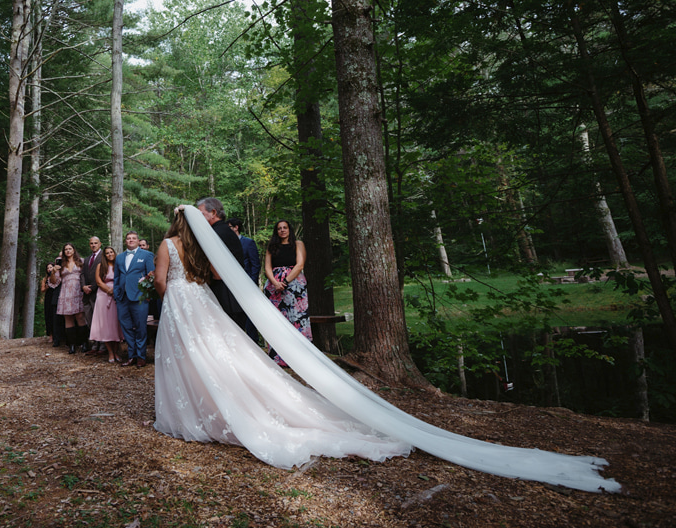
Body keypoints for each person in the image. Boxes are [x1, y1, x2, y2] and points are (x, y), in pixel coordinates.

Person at [153, 205, 620, 493]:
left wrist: (165, 289)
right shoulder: (202, 246)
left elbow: (159, 281)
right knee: (222, 356)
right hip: (202, 304)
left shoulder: (167, 245)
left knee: (192, 359)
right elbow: (215, 278)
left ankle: (199, 411)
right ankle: (221, 405)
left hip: (180, 306)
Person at [195, 197, 248, 333]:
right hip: (235, 296)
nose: (198, 218)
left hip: (227, 298)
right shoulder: (224, 231)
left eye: (201, 213)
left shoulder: (215, 234)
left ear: (213, 212)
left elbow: (218, 274)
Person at [263, 220, 310, 366]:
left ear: (289, 229)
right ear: (276, 231)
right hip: (274, 287)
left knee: (296, 318)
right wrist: (275, 283)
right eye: (279, 228)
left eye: (285, 228)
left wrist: (285, 282)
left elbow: (300, 264)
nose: (282, 230)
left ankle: (300, 357)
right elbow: (267, 267)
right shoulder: (272, 246)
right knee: (277, 320)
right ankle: (278, 357)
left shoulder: (298, 244)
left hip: (294, 285)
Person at [114, 230, 155, 367]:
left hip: (139, 297)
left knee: (140, 327)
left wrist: (148, 295)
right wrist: (116, 294)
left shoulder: (147, 255)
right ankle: (131, 355)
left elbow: (152, 276)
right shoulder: (119, 257)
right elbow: (117, 277)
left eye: (133, 238)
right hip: (122, 297)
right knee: (125, 327)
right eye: (128, 238)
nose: (131, 240)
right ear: (125, 241)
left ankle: (141, 356)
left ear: (138, 241)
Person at [228, 217, 261, 343]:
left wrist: (251, 284)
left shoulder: (248, 243)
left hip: (248, 287)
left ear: (236, 227)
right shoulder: (225, 244)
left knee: (250, 318)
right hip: (231, 287)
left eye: (229, 227)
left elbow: (255, 265)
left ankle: (254, 343)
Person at [54, 243, 88, 354]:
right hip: (65, 292)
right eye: (66, 249)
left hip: (78, 290)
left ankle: (84, 343)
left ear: (73, 250)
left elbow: (86, 275)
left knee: (80, 316)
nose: (68, 251)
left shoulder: (81, 261)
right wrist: (54, 272)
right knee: (68, 318)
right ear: (63, 252)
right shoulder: (61, 264)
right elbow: (55, 282)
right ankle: (72, 345)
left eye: (70, 249)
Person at [91, 246, 123, 363]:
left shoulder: (119, 265)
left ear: (114, 253)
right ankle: (110, 352)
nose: (109, 254)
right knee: (106, 325)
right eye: (107, 253)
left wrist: (116, 292)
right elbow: (99, 281)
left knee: (115, 324)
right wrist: (109, 291)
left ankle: (116, 351)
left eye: (111, 252)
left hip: (117, 295)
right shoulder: (101, 266)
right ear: (104, 255)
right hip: (104, 296)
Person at [81, 236, 104, 355]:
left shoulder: (103, 257)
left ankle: (103, 346)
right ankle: (94, 344)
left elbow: (103, 274)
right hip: (86, 294)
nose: (93, 245)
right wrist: (84, 286)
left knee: (100, 321)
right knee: (89, 320)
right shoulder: (87, 259)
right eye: (91, 243)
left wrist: (92, 287)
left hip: (98, 293)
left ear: (100, 244)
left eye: (95, 243)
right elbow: (82, 274)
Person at [40, 263, 62, 345]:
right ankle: (51, 335)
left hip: (56, 296)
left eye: (50, 267)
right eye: (48, 268)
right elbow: (42, 289)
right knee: (49, 316)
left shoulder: (57, 276)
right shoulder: (45, 278)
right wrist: (46, 287)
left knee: (55, 316)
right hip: (48, 298)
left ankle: (59, 335)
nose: (49, 269)